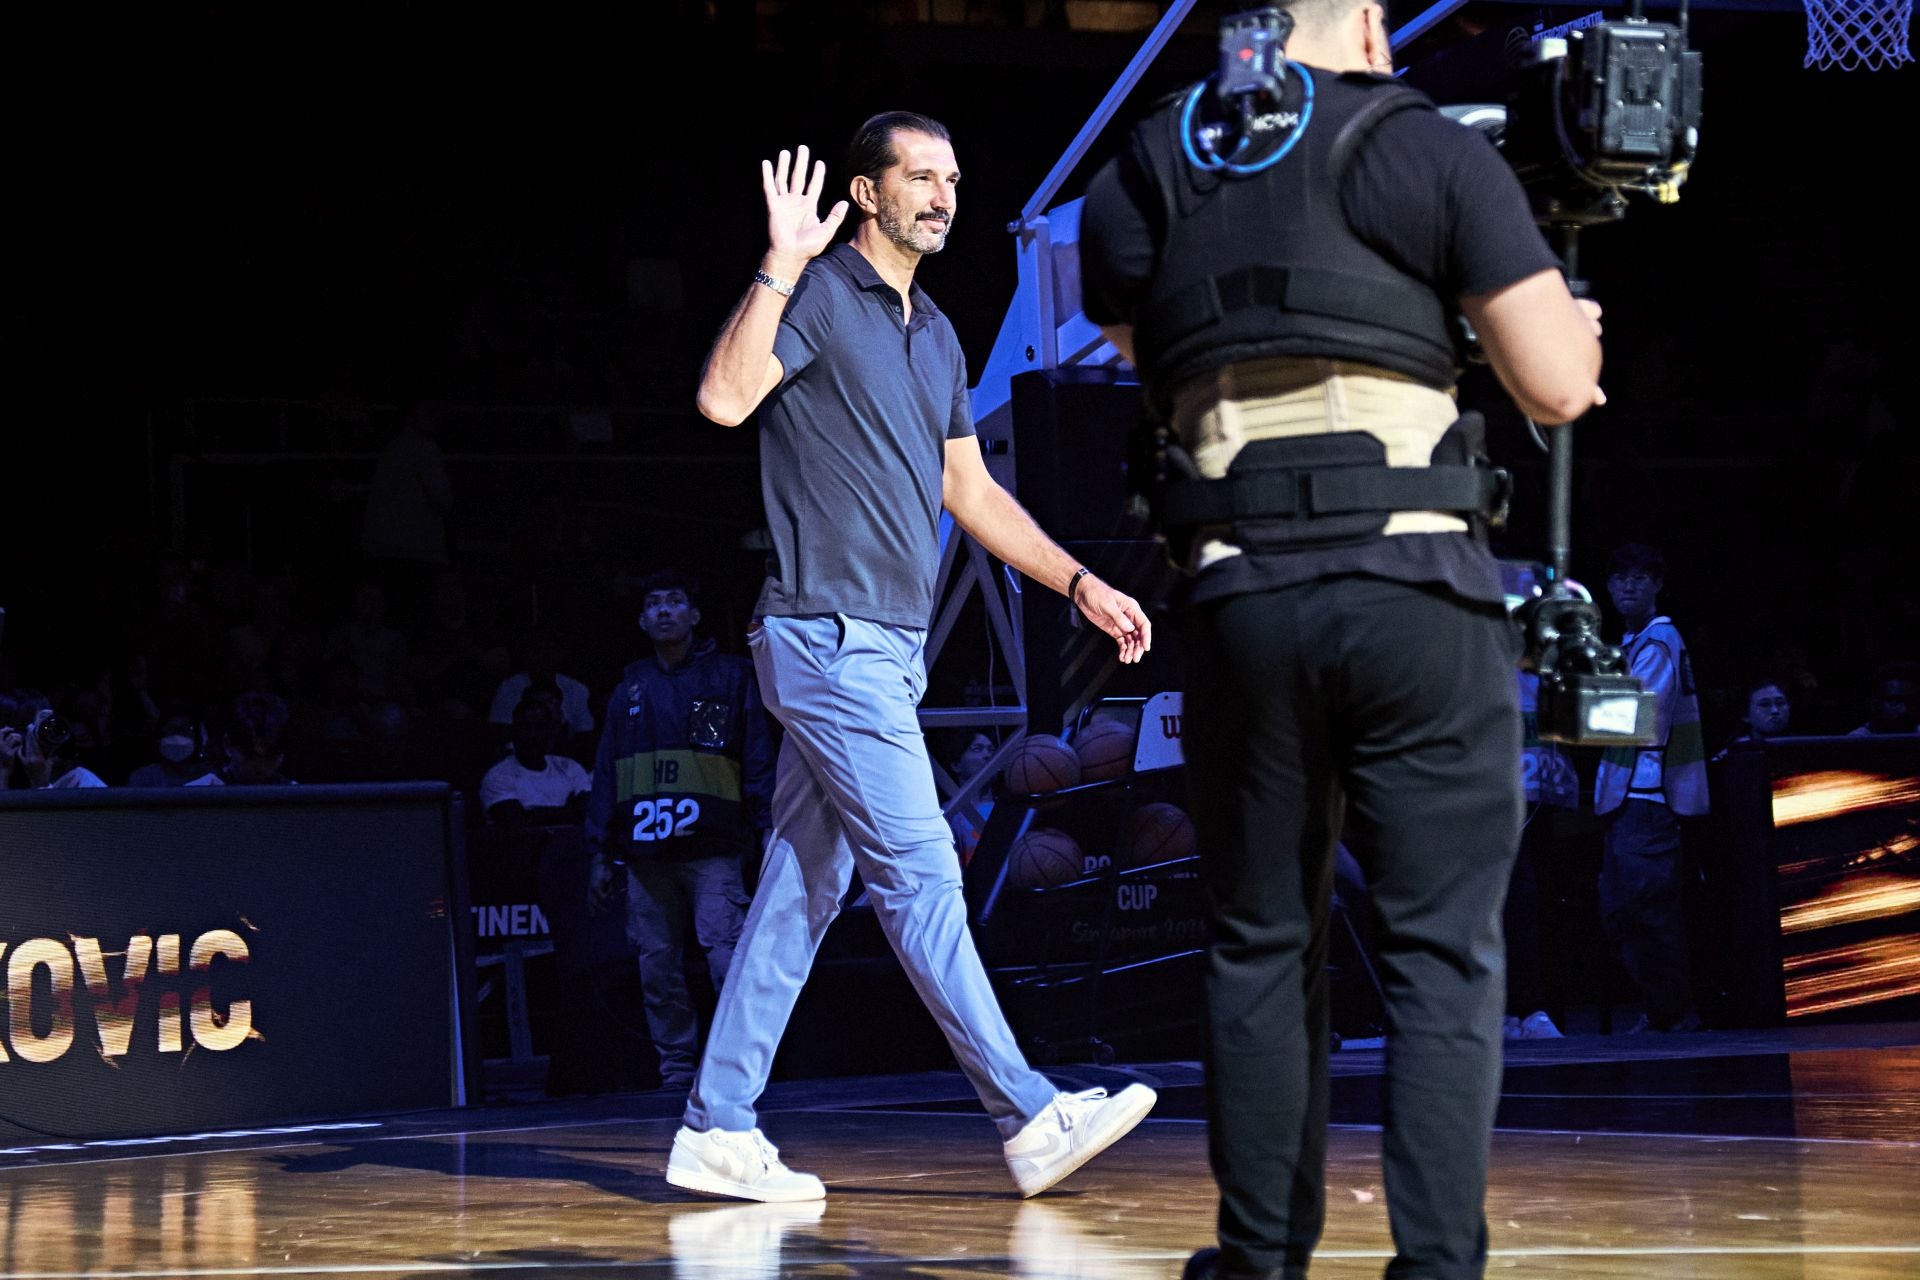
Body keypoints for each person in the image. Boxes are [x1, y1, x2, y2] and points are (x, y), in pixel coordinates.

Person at [1079, 1, 1604, 1274]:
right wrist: (1559, 327)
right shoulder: (1427, 146)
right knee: (1439, 951)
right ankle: (1434, 1264)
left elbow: (1162, 361)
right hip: (1413, 587)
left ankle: (1258, 1258)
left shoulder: (1138, 167)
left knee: (1260, 937)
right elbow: (1554, 385)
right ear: (1371, 26)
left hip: (1241, 598)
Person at [676, 112, 1158, 1203]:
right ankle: (1028, 1113)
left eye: (953, 176)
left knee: (800, 889)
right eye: (921, 177)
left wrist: (1079, 583)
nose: (943, 195)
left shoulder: (935, 330)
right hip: (825, 636)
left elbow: (972, 491)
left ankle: (718, 1122)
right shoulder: (814, 294)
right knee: (924, 872)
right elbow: (723, 398)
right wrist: (777, 263)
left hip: (886, 652)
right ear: (866, 191)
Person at [586, 569, 774, 1091]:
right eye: (654, 604)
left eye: (675, 602)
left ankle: (738, 1065)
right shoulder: (630, 687)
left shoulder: (729, 677)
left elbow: (755, 756)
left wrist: (766, 826)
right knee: (656, 965)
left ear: (694, 616)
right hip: (646, 852)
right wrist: (601, 852)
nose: (665, 611)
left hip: (712, 846)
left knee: (723, 953)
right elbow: (606, 772)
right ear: (642, 620)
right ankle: (676, 1068)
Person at [1594, 543, 1708, 1036]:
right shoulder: (1633, 641)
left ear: (1658, 584)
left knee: (1645, 908)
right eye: (1620, 578)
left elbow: (1638, 719)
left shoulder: (1659, 640)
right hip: (1629, 794)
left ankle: (1673, 1013)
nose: (1628, 586)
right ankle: (1662, 1009)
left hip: (1648, 793)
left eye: (1640, 578)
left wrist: (1577, 702)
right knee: (1625, 908)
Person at [481, 693, 591, 826]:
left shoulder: (570, 768)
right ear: (512, 731)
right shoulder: (498, 776)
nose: (533, 735)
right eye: (526, 727)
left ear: (551, 732)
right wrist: (570, 810)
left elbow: (590, 813)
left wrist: (534, 813)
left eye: (540, 727)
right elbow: (517, 824)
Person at [189, 691, 296, 786]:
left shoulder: (296, 798)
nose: (261, 766)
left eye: (272, 756)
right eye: (250, 755)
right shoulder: (195, 794)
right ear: (228, 745)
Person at [127, 709, 212, 786]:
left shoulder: (209, 776)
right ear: (159, 737)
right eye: (171, 729)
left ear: (197, 738)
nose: (177, 737)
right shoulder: (143, 777)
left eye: (185, 730)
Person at [1714, 675, 1792, 759]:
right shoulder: (1730, 754)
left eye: (1780, 703)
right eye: (1764, 704)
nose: (1775, 710)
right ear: (1745, 715)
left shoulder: (1802, 745)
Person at [1847, 660, 1920, 736]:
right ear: (1873, 703)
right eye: (1894, 701)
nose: (1904, 710)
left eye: (1912, 701)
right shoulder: (1856, 742)